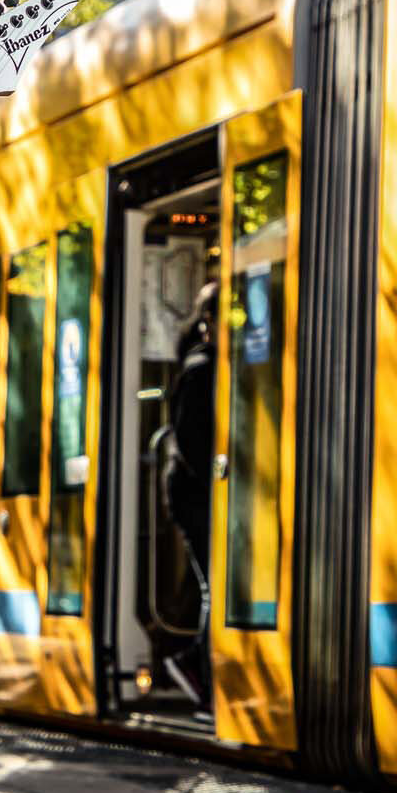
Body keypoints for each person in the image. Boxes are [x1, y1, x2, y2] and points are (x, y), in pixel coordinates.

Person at [158, 278, 216, 711]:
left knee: (211, 583)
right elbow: (193, 440)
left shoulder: (205, 364)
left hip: (191, 489)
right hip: (193, 492)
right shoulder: (201, 368)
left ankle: (197, 662)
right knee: (214, 583)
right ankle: (197, 663)